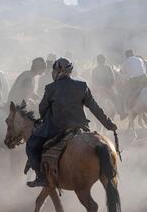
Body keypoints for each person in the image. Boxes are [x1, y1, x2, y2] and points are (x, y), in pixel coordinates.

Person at [26, 58, 118, 188]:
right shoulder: (82, 86)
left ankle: (41, 177)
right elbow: (95, 108)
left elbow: (42, 109)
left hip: (56, 129)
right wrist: (109, 124)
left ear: (58, 71)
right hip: (80, 128)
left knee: (31, 144)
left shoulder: (51, 88)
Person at [121, 49, 147, 114]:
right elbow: (144, 69)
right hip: (144, 78)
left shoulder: (126, 61)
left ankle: (129, 108)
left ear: (126, 55)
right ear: (133, 54)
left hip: (134, 80)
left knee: (129, 94)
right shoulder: (139, 59)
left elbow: (123, 72)